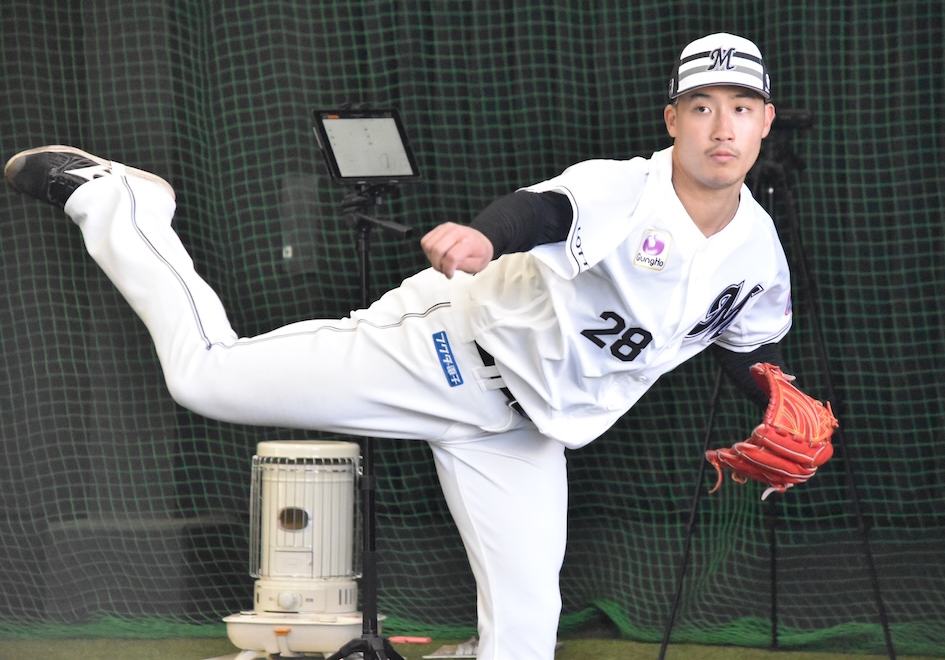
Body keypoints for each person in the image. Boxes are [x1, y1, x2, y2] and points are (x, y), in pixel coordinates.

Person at [6, 32, 792, 660]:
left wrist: (777, 401)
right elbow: (542, 211)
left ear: (766, 119)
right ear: (672, 120)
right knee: (202, 377)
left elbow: (741, 343)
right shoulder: (628, 188)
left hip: (521, 433)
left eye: (741, 106)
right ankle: (121, 204)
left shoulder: (760, 253)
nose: (721, 126)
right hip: (443, 350)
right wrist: (483, 237)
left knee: (525, 638)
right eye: (701, 106)